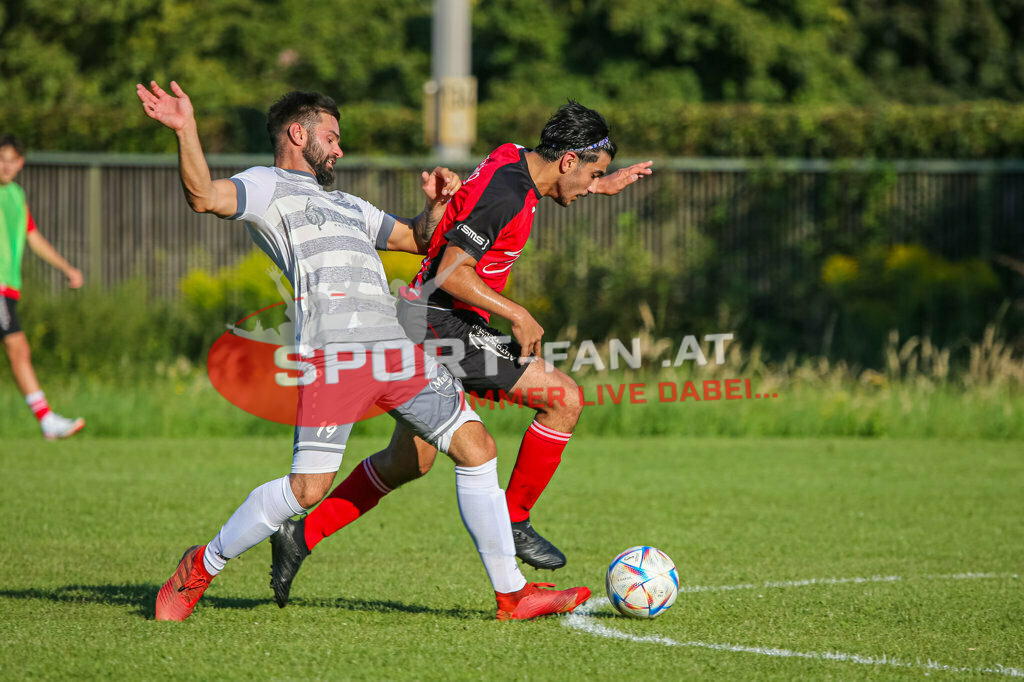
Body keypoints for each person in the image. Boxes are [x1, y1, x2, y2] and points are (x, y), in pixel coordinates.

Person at [138, 81, 590, 622]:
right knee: (307, 488)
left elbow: (418, 239)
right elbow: (203, 197)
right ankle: (202, 565)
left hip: (397, 349)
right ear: (297, 133)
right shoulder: (265, 186)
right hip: (337, 357)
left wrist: (438, 206)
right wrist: (186, 129)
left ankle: (512, 596)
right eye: (331, 137)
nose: (339, 149)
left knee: (477, 448)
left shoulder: (348, 204)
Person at [269, 100, 651, 606]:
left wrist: (599, 182)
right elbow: (455, 268)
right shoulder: (509, 195)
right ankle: (514, 523)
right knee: (562, 397)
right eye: (590, 173)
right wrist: (517, 313)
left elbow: (529, 183)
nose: (589, 186)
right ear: (566, 161)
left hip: (422, 319)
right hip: (440, 322)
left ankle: (300, 536)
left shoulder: (515, 158)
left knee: (409, 461)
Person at [0, 134, 85, 440]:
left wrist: (66, 267)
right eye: (1, 159)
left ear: (20, 163)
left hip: (9, 287)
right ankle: (46, 419)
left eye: (12, 161)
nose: (6, 166)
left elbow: (32, 237)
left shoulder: (16, 196)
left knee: (19, 349)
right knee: (17, 347)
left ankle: (46, 418)